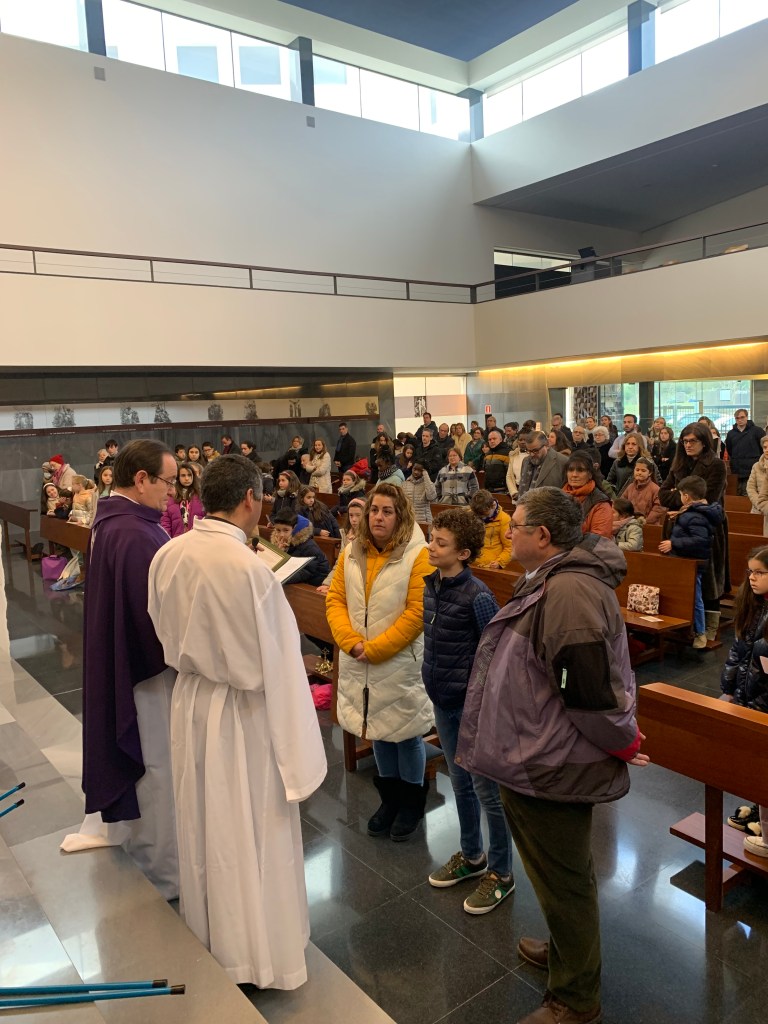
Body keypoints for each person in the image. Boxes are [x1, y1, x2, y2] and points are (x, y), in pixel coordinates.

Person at [456, 487, 648, 1024]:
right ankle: (567, 951)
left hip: (551, 761)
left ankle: (576, 998)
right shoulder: (554, 579)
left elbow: (586, 691)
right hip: (538, 751)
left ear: (542, 536)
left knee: (565, 882)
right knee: (558, 873)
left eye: (515, 525)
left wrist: (625, 741)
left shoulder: (567, 592)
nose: (507, 531)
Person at [147, 454, 326, 988]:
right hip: (243, 714)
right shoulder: (250, 569)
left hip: (192, 700)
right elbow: (282, 663)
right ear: (251, 498)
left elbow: (159, 624)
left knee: (205, 823)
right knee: (249, 830)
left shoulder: (169, 553)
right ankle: (257, 954)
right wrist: (299, 756)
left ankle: (212, 935)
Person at [69, 439, 179, 900]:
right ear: (141, 479)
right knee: (156, 766)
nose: (172, 492)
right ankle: (164, 873)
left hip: (123, 661)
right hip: (145, 673)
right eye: (168, 482)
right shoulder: (134, 534)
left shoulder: (115, 522)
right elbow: (153, 618)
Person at [326, 483, 432, 841]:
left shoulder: (418, 555)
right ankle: (389, 800)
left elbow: (417, 613)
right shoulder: (352, 551)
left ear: (400, 516)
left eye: (387, 511)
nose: (378, 517)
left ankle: (412, 803)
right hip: (359, 656)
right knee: (377, 729)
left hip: (399, 660)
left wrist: (375, 649)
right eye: (374, 510)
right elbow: (335, 600)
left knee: (406, 733)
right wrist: (351, 642)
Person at [423, 509, 514, 913]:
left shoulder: (477, 595)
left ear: (463, 553)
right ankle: (473, 855)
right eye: (432, 538)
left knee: (486, 791)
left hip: (470, 706)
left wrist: (481, 703)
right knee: (459, 782)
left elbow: (496, 652)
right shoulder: (432, 585)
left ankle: (502, 873)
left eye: (440, 543)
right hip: (442, 699)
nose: (431, 546)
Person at [659, 421, 728, 641]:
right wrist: (684, 500)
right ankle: (683, 624)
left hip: (706, 526)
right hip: (676, 527)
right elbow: (663, 495)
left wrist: (679, 499)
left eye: (693, 441)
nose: (688, 445)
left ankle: (708, 628)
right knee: (679, 577)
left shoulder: (715, 465)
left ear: (704, 442)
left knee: (707, 579)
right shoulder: (679, 463)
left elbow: (709, 499)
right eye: (685, 441)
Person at [720, 545, 768, 858]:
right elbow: (738, 651)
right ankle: (758, 807)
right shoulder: (752, 603)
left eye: (760, 572)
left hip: (764, 701)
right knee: (753, 762)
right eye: (750, 571)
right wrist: (728, 689)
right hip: (747, 694)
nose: (752, 577)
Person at [658, 475, 723, 649]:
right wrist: (679, 516)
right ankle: (685, 629)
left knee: (695, 599)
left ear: (686, 496)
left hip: (691, 564)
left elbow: (700, 540)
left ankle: (700, 633)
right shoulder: (694, 511)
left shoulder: (696, 516)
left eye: (680, 494)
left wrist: (673, 543)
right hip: (684, 562)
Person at [317, 497, 366, 595]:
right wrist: (328, 583)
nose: (354, 519)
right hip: (345, 581)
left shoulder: (369, 537)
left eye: (358, 515)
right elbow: (340, 563)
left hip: (360, 585)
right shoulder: (346, 534)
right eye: (351, 515)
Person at [271, 510, 331, 586]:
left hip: (315, 585)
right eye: (278, 530)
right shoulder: (282, 543)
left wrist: (278, 578)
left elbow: (304, 572)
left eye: (286, 530)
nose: (281, 534)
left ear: (295, 528)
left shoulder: (309, 547)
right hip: (299, 580)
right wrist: (279, 553)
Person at [562, 453, 613, 538]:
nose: (574, 475)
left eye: (580, 470)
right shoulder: (558, 496)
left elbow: (598, 539)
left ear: (590, 474)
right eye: (570, 470)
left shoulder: (601, 503)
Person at [517, 431, 569, 498]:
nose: (531, 454)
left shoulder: (562, 461)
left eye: (535, 450)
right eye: (529, 451)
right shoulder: (526, 461)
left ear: (547, 445)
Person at [470, 489, 513, 569]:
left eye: (483, 513)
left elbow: (509, 547)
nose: (480, 516)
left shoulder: (504, 519)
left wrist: (499, 562)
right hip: (471, 564)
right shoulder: (472, 514)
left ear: (492, 505)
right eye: (477, 514)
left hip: (490, 567)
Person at [726, 409, 765, 495]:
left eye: (742, 417)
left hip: (753, 468)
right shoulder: (731, 434)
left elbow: (763, 447)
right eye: (737, 418)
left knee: (751, 493)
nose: (740, 420)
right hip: (737, 469)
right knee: (737, 494)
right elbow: (730, 450)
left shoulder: (757, 431)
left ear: (747, 417)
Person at [161, 462, 205, 537]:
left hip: (197, 538)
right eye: (183, 475)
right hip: (177, 539)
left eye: (189, 475)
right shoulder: (171, 496)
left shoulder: (201, 495)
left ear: (193, 476)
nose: (187, 478)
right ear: (178, 477)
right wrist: (167, 539)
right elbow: (165, 522)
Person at [619, 457, 664, 524]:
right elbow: (622, 503)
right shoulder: (630, 487)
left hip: (648, 525)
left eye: (643, 471)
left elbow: (658, 509)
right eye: (637, 470)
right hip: (629, 523)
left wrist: (646, 521)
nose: (639, 473)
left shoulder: (655, 489)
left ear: (650, 473)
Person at [747, 435, 768, 533]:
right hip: (757, 509)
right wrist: (759, 504)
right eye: (765, 447)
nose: (767, 450)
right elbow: (750, 488)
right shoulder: (756, 466)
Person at [481, 429, 510, 493]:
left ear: (501, 439)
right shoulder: (488, 454)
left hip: (502, 490)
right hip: (488, 490)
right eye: (490, 439)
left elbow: (510, 474)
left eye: (494, 439)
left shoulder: (507, 453)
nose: (492, 441)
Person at [506, 433, 529, 500]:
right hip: (516, 490)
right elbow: (509, 476)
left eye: (525, 440)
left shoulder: (532, 456)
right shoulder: (513, 455)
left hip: (529, 492)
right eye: (520, 440)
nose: (522, 442)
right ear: (517, 441)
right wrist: (514, 492)